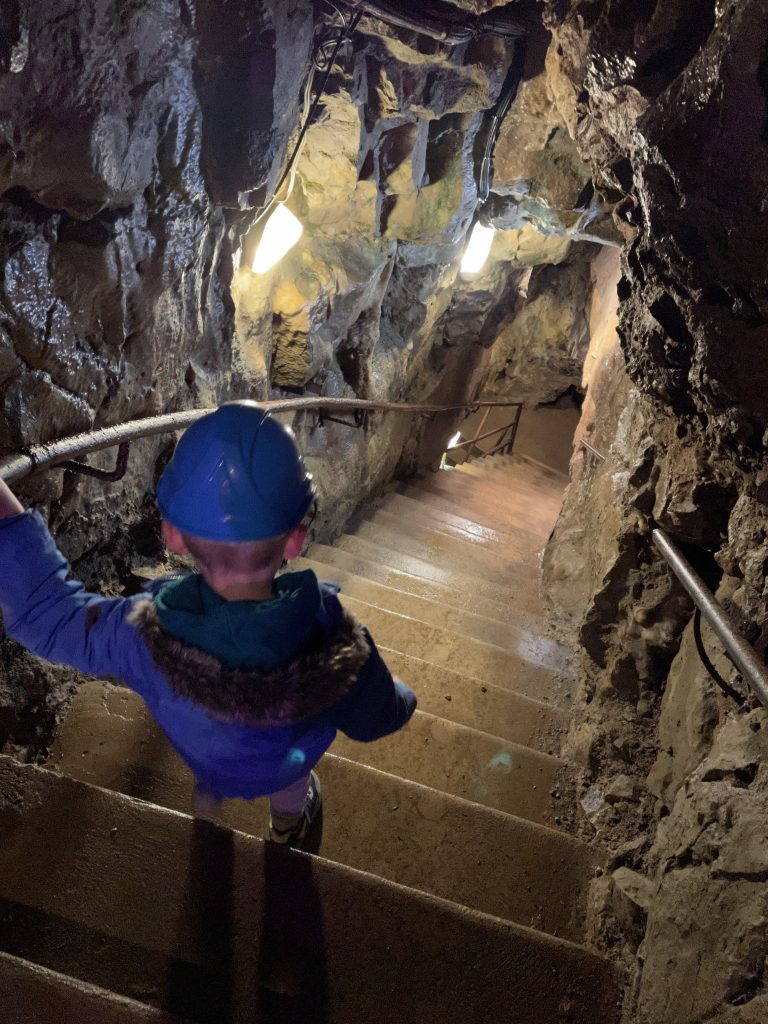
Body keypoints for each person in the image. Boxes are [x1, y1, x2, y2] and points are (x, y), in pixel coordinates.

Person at [0, 402, 417, 848]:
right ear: (295, 540)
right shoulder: (337, 648)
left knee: (216, 750)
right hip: (285, 762)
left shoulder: (138, 635)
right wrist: (402, 696)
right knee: (291, 782)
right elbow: (378, 718)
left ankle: (214, 787)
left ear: (172, 534)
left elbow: (49, 612)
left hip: (205, 754)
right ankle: (287, 825)